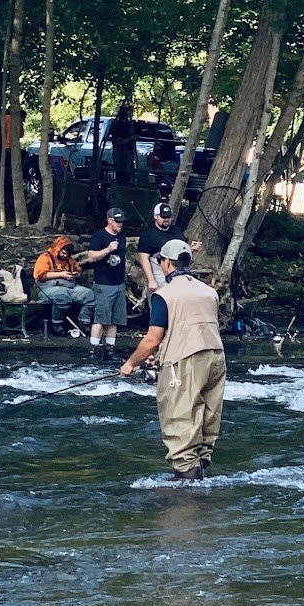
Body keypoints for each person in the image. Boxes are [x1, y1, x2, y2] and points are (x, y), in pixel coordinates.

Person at [120, 238, 224, 481]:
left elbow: (152, 339)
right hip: (216, 358)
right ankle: (200, 483)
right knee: (207, 420)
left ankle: (185, 492)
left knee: (180, 419)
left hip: (184, 362)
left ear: (166, 263)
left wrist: (131, 364)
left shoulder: (164, 295)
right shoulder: (209, 292)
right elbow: (193, 326)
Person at [82, 207, 130, 352]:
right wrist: (108, 250)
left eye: (121, 222)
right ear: (109, 220)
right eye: (117, 221)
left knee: (115, 319)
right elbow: (90, 257)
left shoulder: (121, 236)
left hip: (119, 283)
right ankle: (93, 348)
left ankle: (110, 348)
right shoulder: (99, 236)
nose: (120, 224)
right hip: (103, 283)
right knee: (101, 318)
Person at [32, 234, 93, 337]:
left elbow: (78, 270)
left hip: (70, 287)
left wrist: (75, 275)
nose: (65, 256)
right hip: (48, 289)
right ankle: (56, 324)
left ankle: (84, 322)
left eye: (67, 254)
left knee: (89, 295)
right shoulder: (45, 257)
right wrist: (61, 274)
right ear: (57, 249)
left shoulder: (69, 260)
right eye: (63, 253)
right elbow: (41, 275)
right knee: (62, 296)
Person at [137, 200, 184, 295]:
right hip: (159, 272)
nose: (166, 219)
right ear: (155, 216)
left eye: (168, 216)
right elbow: (143, 258)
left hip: (178, 271)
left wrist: (191, 248)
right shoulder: (148, 234)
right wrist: (151, 280)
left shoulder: (177, 231)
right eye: (163, 216)